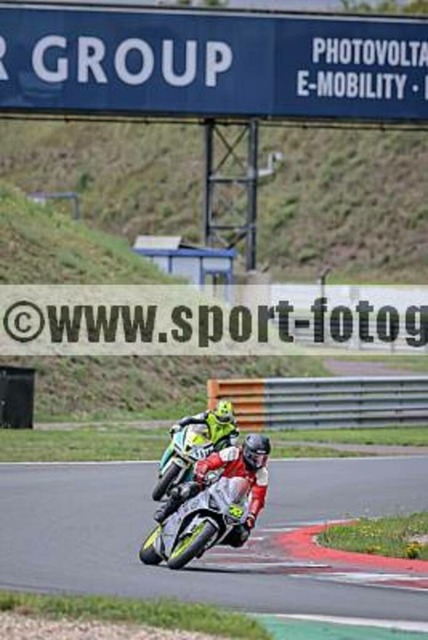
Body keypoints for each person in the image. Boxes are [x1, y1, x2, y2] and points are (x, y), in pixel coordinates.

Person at [154, 433, 271, 548]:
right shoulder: (233, 453)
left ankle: (205, 542)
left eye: (263, 458)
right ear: (246, 452)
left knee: (241, 536)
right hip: (212, 487)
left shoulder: (262, 473)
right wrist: (201, 473)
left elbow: (258, 497)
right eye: (256, 457)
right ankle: (165, 512)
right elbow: (210, 462)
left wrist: (252, 515)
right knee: (184, 491)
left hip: (233, 503)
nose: (259, 462)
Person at [170, 399, 239, 451]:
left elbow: (232, 444)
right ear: (215, 412)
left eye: (225, 418)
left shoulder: (233, 428)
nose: (222, 420)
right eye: (220, 417)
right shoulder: (208, 416)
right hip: (198, 443)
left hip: (213, 451)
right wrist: (179, 424)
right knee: (173, 445)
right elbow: (190, 419)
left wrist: (224, 448)